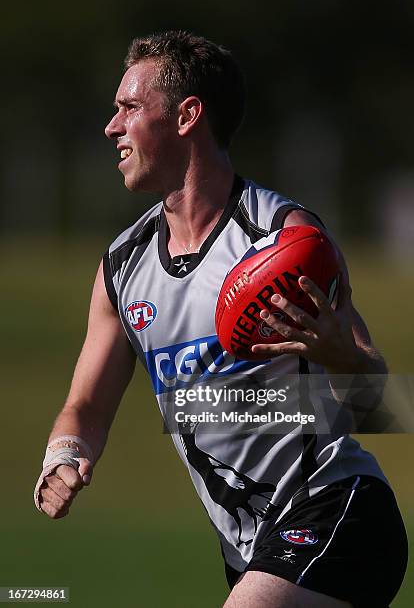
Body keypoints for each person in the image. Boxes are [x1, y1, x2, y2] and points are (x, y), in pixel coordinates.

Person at [34, 31, 408, 607]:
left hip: (336, 508)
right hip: (250, 551)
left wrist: (342, 358)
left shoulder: (284, 240)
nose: (112, 127)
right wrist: (63, 455)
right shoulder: (122, 267)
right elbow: (85, 407)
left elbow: (378, 405)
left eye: (129, 108)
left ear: (187, 116)